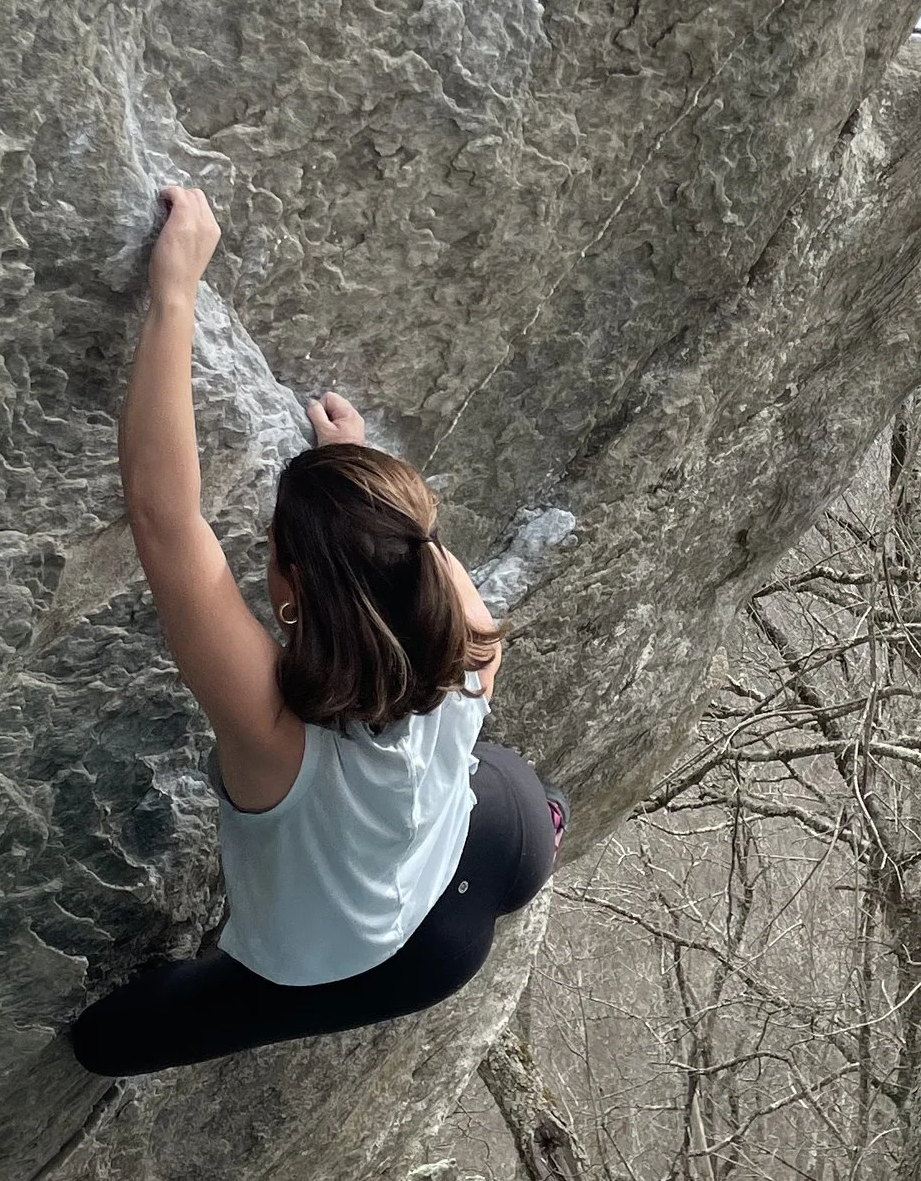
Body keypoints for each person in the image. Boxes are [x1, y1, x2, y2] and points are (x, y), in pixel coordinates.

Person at [67, 185, 563, 1076]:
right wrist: (355, 471)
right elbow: (407, 542)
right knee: (495, 793)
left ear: (289, 596)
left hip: (394, 956)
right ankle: (551, 822)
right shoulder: (468, 638)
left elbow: (164, 518)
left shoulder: (275, 741)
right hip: (506, 835)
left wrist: (173, 290)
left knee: (107, 1044)